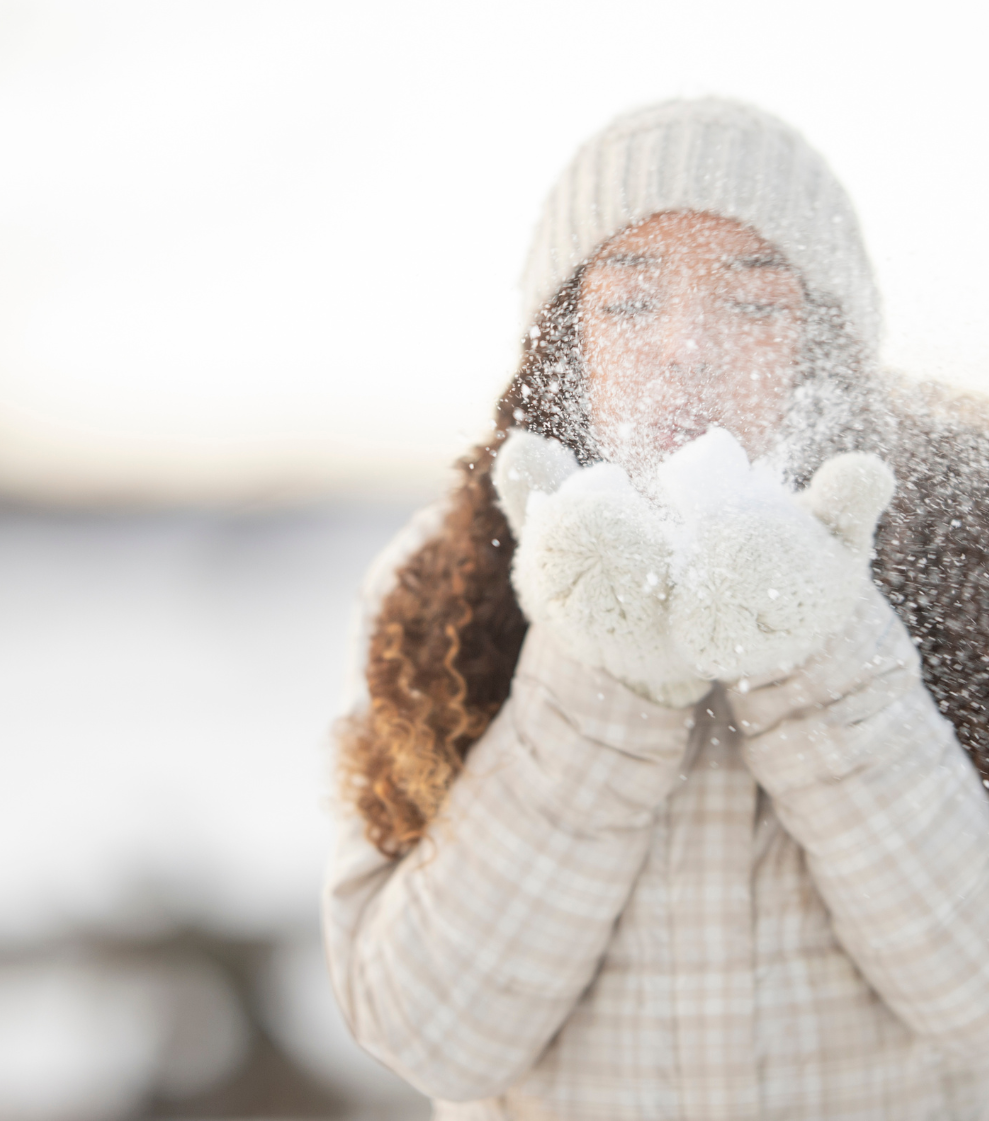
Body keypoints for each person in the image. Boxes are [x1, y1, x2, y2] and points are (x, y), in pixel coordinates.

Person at [322, 98, 989, 1120]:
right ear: (562, 345)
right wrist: (596, 669)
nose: (686, 347)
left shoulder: (966, 563)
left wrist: (820, 651)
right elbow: (427, 1036)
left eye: (755, 304)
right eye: (630, 305)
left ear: (829, 350)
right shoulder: (438, 592)